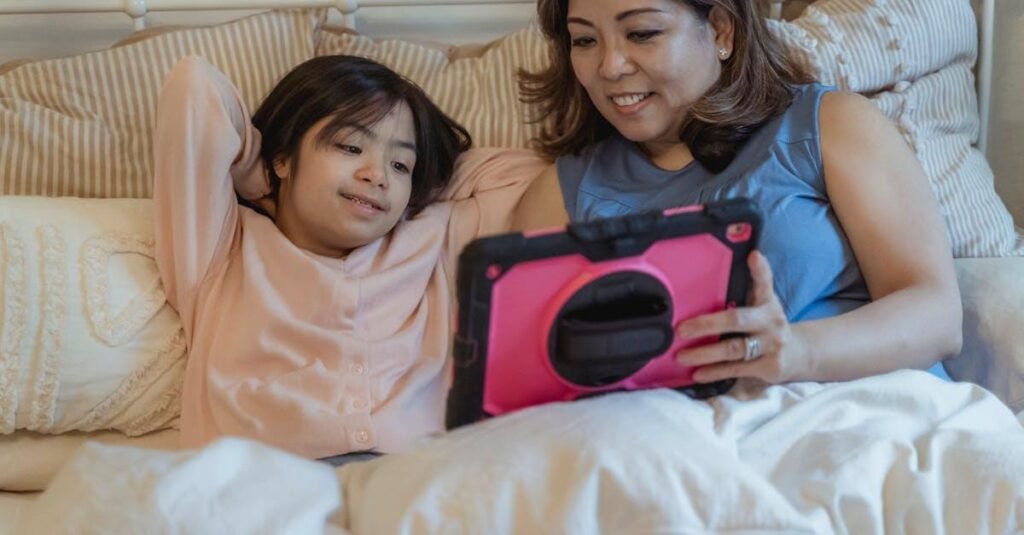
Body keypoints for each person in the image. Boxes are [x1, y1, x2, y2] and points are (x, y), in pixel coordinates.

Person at [512, 0, 963, 385]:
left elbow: (937, 314)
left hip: (863, 413)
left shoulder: (831, 125)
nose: (610, 66)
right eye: (585, 41)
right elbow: (526, 373)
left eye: (642, 33)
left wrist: (796, 352)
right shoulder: (559, 197)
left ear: (721, 31)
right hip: (675, 450)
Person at [152, 54, 497, 462]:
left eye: (401, 164)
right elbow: (193, 87)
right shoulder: (220, 250)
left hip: (408, 486)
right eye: (351, 146)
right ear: (282, 157)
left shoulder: (433, 239)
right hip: (264, 493)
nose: (377, 174)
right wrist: (256, 172)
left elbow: (519, 175)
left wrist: (423, 186)